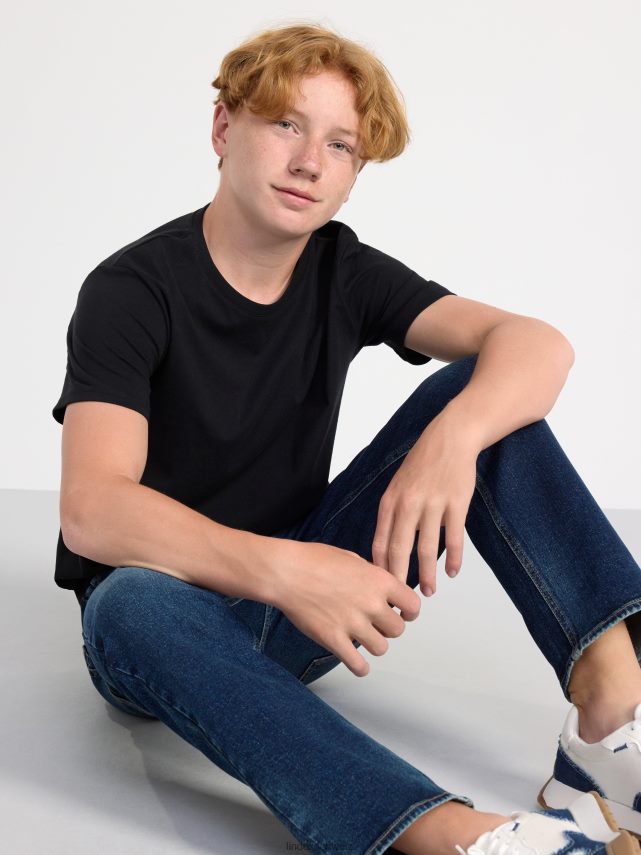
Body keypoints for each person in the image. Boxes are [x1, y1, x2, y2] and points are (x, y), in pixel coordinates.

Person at [51, 21, 641, 855]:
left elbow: (535, 343)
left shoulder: (341, 268)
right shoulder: (131, 290)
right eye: (285, 125)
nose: (308, 162)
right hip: (171, 626)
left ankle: (609, 725)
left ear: (354, 174)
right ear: (223, 129)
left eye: (339, 145)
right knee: (127, 599)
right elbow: (93, 510)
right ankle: (446, 834)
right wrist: (290, 570)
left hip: (309, 610)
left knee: (478, 394)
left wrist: (451, 440)